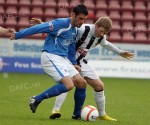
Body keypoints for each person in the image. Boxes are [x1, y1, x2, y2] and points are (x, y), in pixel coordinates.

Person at [30, 17, 134, 121]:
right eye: (101, 31)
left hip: (82, 62)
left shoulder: (101, 37)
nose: (102, 34)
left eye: (104, 32)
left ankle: (101, 115)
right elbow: (62, 28)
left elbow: (106, 44)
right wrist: (42, 24)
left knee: (99, 86)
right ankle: (56, 110)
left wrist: (120, 52)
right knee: (69, 82)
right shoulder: (82, 29)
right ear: (96, 26)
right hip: (68, 60)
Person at [10, 4, 88, 115]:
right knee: (69, 85)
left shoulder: (74, 30)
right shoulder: (62, 23)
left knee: (82, 83)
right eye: (81, 18)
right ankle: (37, 98)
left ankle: (77, 115)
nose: (82, 22)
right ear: (73, 15)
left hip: (63, 59)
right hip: (51, 56)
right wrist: (18, 34)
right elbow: (38, 28)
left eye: (85, 19)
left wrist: (74, 63)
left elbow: (71, 48)